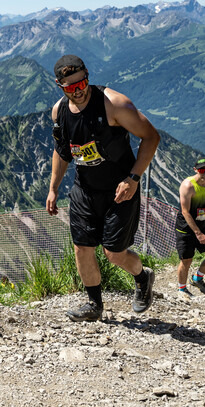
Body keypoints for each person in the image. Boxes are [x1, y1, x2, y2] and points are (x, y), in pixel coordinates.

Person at [45, 54, 161, 321]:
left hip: (120, 189)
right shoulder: (59, 111)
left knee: (114, 253)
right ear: (60, 86)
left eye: (82, 82)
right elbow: (62, 151)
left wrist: (133, 178)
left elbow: (151, 137)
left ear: (87, 75)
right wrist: (53, 188)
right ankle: (94, 304)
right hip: (84, 189)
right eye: (71, 87)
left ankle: (143, 278)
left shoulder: (114, 104)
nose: (79, 90)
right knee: (81, 248)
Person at [174, 158, 205, 296]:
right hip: (186, 228)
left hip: (202, 224)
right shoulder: (188, 186)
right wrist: (198, 233)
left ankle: (197, 278)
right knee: (186, 260)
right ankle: (181, 289)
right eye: (202, 170)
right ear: (195, 170)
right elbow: (185, 211)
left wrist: (201, 230)